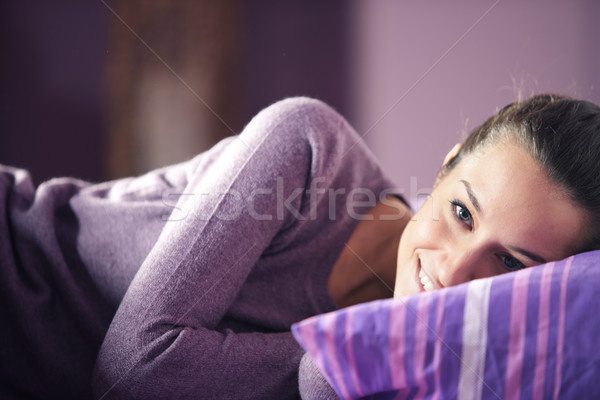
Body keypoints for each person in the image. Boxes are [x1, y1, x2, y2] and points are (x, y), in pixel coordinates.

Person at [0, 94, 598, 400]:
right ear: (443, 172)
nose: (454, 269)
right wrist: (353, 356)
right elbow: (132, 373)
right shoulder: (310, 149)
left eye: (511, 265)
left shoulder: (436, 371)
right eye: (462, 212)